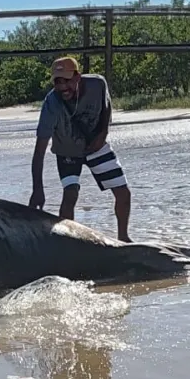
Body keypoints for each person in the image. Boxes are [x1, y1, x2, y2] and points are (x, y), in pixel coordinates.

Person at [28, 56, 132, 242]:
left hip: (95, 145)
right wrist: (38, 189)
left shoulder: (97, 84)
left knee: (123, 193)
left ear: (77, 77)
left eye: (66, 81)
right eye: (57, 82)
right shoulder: (51, 104)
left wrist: (103, 134)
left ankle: (123, 238)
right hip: (67, 151)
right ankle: (68, 243)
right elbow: (39, 152)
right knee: (70, 194)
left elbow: (106, 106)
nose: (62, 87)